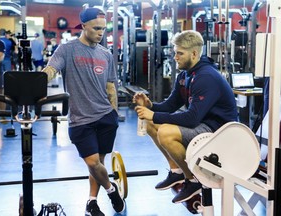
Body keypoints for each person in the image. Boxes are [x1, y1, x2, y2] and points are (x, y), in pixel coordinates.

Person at [134, 30, 238, 204]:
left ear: (194, 53)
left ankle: (193, 180)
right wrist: (150, 106)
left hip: (218, 131)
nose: (175, 57)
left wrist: (154, 114)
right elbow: (170, 106)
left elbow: (192, 119)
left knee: (166, 132)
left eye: (180, 53)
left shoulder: (206, 76)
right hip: (201, 124)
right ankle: (177, 172)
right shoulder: (185, 75)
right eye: (175, 52)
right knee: (151, 123)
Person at [42, 7, 125, 216]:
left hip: (106, 116)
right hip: (80, 119)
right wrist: (36, 81)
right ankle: (111, 190)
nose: (101, 33)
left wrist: (114, 114)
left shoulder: (106, 54)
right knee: (93, 163)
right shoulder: (67, 50)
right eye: (96, 28)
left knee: (99, 164)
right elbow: (51, 70)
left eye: (103, 29)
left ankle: (91, 202)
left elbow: (110, 87)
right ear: (84, 26)